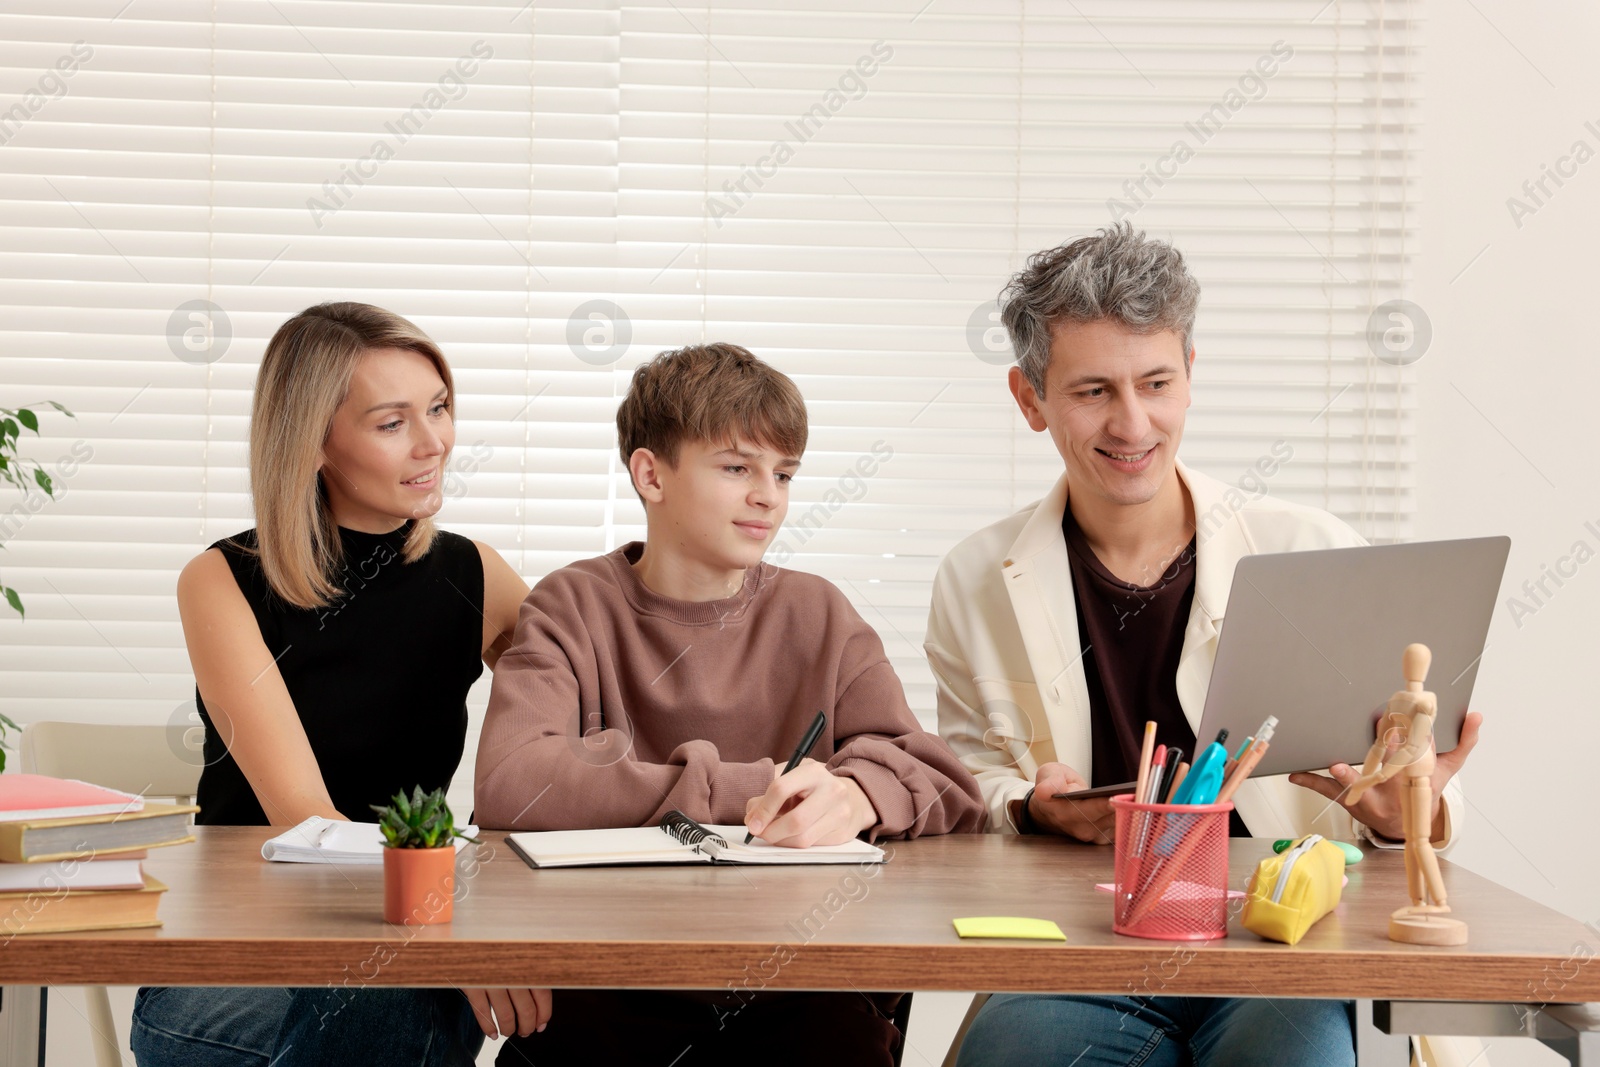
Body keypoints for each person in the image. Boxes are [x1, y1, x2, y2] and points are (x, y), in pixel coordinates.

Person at [926, 224, 1482, 1067]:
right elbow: (966, 786)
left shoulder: (1311, 547)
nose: (1133, 421)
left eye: (1157, 382)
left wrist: (1404, 814)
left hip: (1278, 947)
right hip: (1082, 948)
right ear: (1029, 397)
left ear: (1192, 373)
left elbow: (1412, 793)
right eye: (1092, 391)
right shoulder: (973, 577)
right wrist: (1027, 806)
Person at [474, 342, 986, 1066]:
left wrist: (856, 794)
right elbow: (512, 781)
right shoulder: (573, 604)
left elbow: (948, 784)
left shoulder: (819, 613)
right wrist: (747, 785)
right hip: (611, 985)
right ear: (651, 474)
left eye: (783, 473)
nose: (768, 495)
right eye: (737, 467)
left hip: (802, 991)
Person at [131, 302, 547, 1067]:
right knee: (401, 995)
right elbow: (309, 830)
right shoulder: (222, 581)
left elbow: (583, 734)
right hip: (233, 967)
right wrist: (450, 939)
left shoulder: (474, 575)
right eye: (393, 423)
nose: (434, 443)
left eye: (439, 408)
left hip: (405, 949)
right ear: (314, 441)